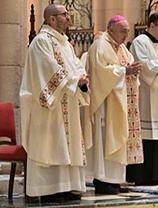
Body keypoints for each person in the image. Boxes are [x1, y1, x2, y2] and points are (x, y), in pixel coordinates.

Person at [20, 4, 89, 202]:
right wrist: (75, 81)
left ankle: (67, 187)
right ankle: (49, 189)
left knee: (66, 144)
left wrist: (82, 80)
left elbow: (75, 67)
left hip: (67, 102)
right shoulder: (42, 42)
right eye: (64, 14)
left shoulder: (65, 43)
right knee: (52, 145)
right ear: (52, 19)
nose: (69, 17)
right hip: (48, 106)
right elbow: (48, 69)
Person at [84, 15, 143, 194]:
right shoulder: (100, 45)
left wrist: (133, 70)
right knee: (106, 140)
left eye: (127, 31)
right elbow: (100, 72)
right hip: (106, 104)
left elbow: (128, 67)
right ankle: (102, 181)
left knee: (118, 139)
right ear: (110, 30)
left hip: (120, 103)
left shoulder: (122, 48)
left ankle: (116, 180)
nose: (126, 35)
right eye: (122, 31)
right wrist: (125, 70)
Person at [126, 12, 158, 185]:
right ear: (151, 25)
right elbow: (143, 66)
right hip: (148, 96)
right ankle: (145, 176)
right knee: (149, 136)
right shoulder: (140, 42)